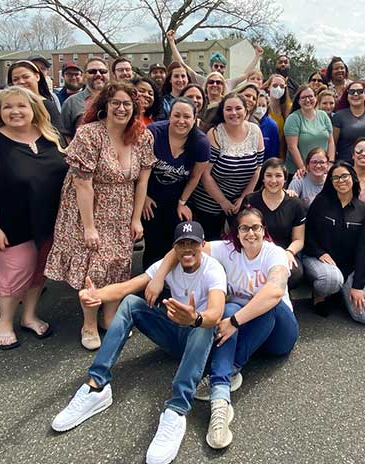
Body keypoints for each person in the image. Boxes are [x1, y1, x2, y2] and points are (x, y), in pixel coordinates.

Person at [51, 221, 227, 464]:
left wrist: (195, 318)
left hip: (199, 341)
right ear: (174, 248)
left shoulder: (213, 269)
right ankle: (96, 386)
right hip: (174, 334)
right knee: (131, 303)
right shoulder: (166, 266)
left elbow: (217, 312)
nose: (188, 249)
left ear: (203, 246)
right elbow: (126, 288)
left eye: (193, 244)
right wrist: (96, 295)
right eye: (182, 244)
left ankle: (177, 409)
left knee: (203, 327)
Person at [150, 208, 298, 450]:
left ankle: (229, 369)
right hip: (244, 330)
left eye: (256, 228)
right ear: (236, 233)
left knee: (257, 304)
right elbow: (183, 249)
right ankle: (221, 396)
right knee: (228, 308)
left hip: (278, 332)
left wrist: (234, 321)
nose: (250, 233)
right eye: (244, 228)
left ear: (264, 230)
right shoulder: (226, 250)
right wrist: (159, 277)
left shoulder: (275, 254)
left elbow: (275, 291)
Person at [46, 82, 156, 350]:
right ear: (105, 105)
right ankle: (89, 324)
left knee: (118, 263)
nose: (121, 109)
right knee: (93, 266)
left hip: (122, 208)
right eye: (115, 103)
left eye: (127, 104)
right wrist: (89, 227)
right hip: (89, 207)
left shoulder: (142, 136)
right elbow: (82, 184)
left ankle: (110, 318)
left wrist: (135, 218)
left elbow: (142, 181)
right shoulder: (89, 134)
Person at [0, 86, 68, 349]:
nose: (15, 111)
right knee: (16, 274)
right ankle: (5, 321)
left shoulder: (50, 137)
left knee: (39, 272)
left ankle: (29, 315)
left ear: (33, 109)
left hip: (49, 221)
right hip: (12, 224)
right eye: (8, 107)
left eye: (21, 106)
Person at [302, 161, 365, 322]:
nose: (340, 180)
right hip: (320, 260)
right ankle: (321, 293)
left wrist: (357, 286)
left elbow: (363, 249)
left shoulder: (364, 210)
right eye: (335, 178)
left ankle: (341, 291)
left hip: (349, 267)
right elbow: (307, 233)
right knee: (330, 280)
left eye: (344, 176)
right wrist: (319, 252)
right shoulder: (321, 202)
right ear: (331, 182)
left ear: (353, 178)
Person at [142, 98, 210, 267]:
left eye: (187, 117)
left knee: (175, 242)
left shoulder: (201, 142)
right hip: (151, 197)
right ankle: (149, 285)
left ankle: (173, 285)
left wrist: (182, 202)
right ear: (169, 116)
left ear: (195, 119)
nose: (181, 121)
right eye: (176, 115)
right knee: (153, 244)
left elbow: (195, 176)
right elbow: (138, 169)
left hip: (177, 198)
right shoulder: (153, 133)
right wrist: (143, 197)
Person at [190, 93, 264, 240]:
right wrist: (223, 202)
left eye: (238, 108)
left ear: (246, 111)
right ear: (222, 112)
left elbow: (258, 168)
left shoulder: (255, 131)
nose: (234, 113)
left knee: (239, 241)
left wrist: (244, 197)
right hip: (210, 200)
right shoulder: (216, 134)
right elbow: (205, 174)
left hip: (239, 199)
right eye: (228, 109)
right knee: (211, 242)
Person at [244, 158, 307, 287]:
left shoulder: (295, 204)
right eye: (268, 176)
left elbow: (299, 239)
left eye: (278, 176)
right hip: (254, 251)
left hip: (282, 251)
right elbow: (242, 231)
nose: (273, 181)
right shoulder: (251, 200)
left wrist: (289, 253)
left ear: (285, 179)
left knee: (294, 273)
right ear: (262, 179)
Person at [165, 30, 262, 91]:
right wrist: (172, 42)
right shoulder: (202, 81)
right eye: (216, 66)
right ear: (211, 67)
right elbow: (183, 65)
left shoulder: (229, 83)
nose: (218, 69)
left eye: (222, 66)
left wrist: (257, 56)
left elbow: (245, 74)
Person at [332, 80, 365, 167]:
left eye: (360, 91)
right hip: (346, 167)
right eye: (351, 92)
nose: (356, 94)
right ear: (347, 95)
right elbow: (333, 143)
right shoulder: (339, 116)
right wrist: (332, 163)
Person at [284, 85, 334, 174]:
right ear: (298, 101)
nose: (307, 100)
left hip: (322, 170)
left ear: (316, 98)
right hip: (300, 172)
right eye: (303, 97)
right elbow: (292, 147)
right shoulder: (293, 119)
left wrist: (329, 164)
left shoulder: (323, 116)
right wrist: (303, 168)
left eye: (310, 96)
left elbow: (330, 142)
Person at [60, 58, 110, 140]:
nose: (98, 74)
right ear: (84, 76)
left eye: (102, 71)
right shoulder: (71, 102)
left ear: (108, 74)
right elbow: (65, 135)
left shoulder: (118, 100)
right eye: (92, 71)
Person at [239, 83, 280, 159]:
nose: (260, 109)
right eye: (258, 105)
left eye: (263, 106)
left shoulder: (271, 125)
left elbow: (273, 153)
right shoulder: (241, 121)